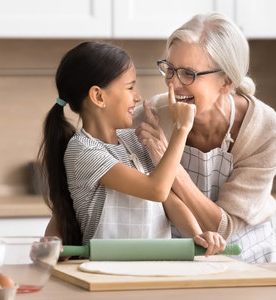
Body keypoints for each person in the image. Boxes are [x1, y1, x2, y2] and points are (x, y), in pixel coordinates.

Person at [39, 41, 226, 256]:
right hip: (105, 272)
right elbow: (156, 190)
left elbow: (169, 200)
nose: (137, 97)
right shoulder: (83, 150)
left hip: (154, 268)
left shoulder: (134, 139)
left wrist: (196, 234)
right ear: (99, 97)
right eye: (129, 88)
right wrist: (181, 129)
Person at [134, 12, 276, 262]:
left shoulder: (267, 131)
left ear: (226, 82)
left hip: (246, 255)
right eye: (170, 69)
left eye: (189, 74)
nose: (173, 84)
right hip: (175, 256)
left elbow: (224, 228)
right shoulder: (149, 119)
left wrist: (167, 159)